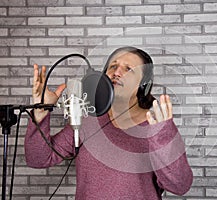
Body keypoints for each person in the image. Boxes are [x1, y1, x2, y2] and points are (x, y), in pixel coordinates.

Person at [25, 46, 193, 200]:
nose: (117, 72)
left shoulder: (157, 124)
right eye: (113, 66)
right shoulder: (87, 120)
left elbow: (179, 185)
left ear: (144, 84)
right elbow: (38, 159)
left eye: (128, 69)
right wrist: (41, 111)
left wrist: (161, 134)